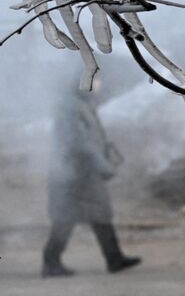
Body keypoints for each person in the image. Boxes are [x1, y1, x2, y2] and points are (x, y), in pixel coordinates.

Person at [42, 74, 141, 277]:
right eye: (95, 81)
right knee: (66, 218)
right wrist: (102, 165)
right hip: (74, 174)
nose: (99, 84)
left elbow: (90, 139)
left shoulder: (81, 105)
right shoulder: (71, 108)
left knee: (99, 215)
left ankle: (114, 258)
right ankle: (51, 261)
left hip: (84, 173)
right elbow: (79, 144)